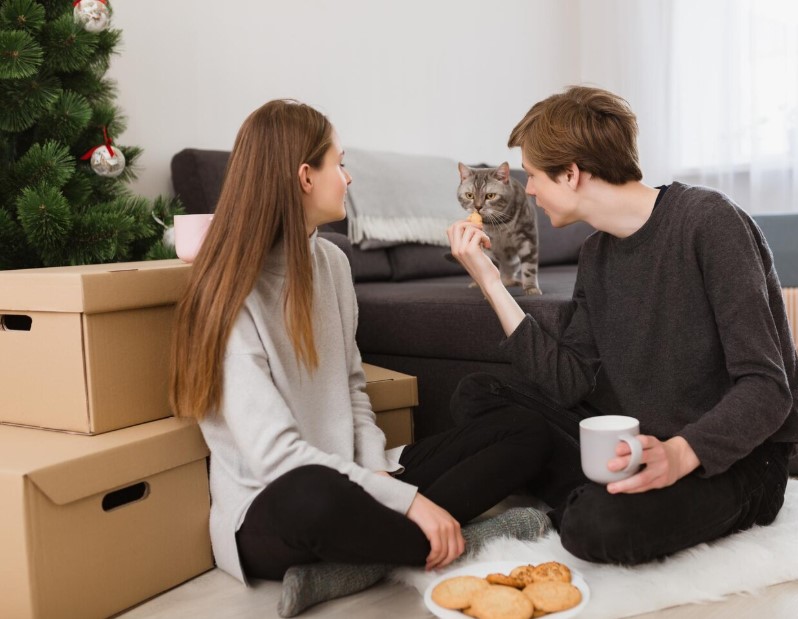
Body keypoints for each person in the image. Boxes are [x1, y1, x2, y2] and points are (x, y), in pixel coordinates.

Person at [169, 99, 553, 618]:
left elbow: (352, 387)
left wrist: (380, 474)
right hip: (275, 504)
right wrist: (407, 501)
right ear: (306, 176)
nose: (348, 179)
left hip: (360, 480)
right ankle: (470, 535)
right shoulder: (228, 289)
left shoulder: (331, 260)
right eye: (340, 164)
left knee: (525, 428)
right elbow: (277, 459)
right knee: (313, 496)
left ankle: (357, 564)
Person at [446, 86, 798, 565]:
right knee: (478, 394)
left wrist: (679, 454)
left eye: (534, 175)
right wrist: (492, 284)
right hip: (636, 442)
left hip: (735, 458)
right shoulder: (596, 254)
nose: (528, 190)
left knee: (596, 525)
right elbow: (571, 381)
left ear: (571, 173)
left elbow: (767, 389)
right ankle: (591, 492)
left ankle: (574, 507)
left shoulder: (710, 222)